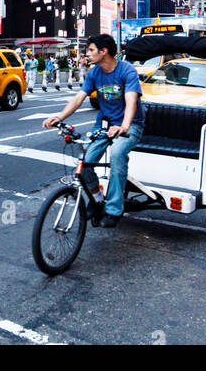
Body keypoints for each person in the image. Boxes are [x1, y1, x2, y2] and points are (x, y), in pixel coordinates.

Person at [43, 34, 144, 228]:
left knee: (116, 155)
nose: (87, 54)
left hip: (131, 124)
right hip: (104, 125)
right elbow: (79, 98)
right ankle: (97, 199)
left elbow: (131, 100)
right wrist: (60, 117)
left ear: (103, 51)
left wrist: (124, 126)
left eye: (90, 50)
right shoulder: (94, 72)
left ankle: (114, 209)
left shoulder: (126, 71)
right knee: (85, 162)